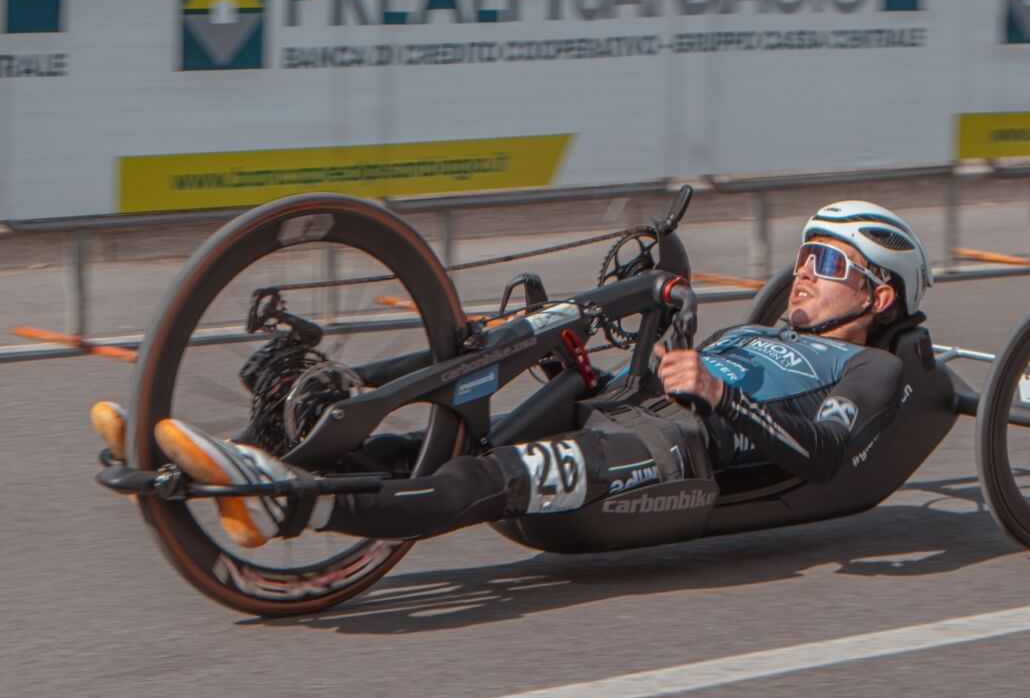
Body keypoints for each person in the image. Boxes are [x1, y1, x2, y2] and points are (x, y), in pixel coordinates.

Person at [91, 200, 933, 549]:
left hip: (674, 456)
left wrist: (718, 391)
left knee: (485, 478)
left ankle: (290, 503)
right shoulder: (761, 329)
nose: (806, 272)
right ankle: (246, 456)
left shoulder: (871, 368)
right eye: (805, 256)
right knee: (434, 437)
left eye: (829, 262)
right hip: (629, 409)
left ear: (881, 292)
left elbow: (823, 456)